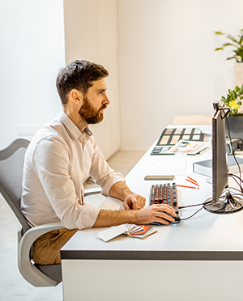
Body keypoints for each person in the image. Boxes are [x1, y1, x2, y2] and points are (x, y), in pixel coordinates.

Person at [21, 60, 176, 265]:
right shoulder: (51, 144)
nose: (107, 100)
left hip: (68, 226)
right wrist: (136, 216)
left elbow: (105, 177)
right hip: (50, 239)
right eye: (100, 92)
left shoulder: (82, 133)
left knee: (142, 237)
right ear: (76, 96)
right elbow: (72, 215)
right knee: (133, 246)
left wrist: (127, 193)